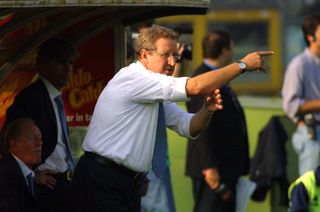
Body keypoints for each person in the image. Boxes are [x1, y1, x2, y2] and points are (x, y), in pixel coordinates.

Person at [71, 24, 272, 212]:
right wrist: (243, 65)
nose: (172, 62)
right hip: (102, 178)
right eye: (165, 55)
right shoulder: (135, 78)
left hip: (125, 182)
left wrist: (207, 110)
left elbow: (189, 127)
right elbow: (195, 87)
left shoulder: (153, 86)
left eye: (175, 55)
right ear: (144, 55)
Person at [2, 38, 78, 212]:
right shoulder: (31, 97)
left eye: (70, 62)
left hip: (64, 183)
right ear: (43, 66)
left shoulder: (55, 97)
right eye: (61, 62)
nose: (68, 68)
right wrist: (33, 175)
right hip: (46, 186)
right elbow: (8, 140)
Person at [185, 30, 250, 212]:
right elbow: (201, 126)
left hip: (225, 168)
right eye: (231, 47)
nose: (232, 51)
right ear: (224, 50)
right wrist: (209, 166)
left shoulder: (217, 76)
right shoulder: (204, 78)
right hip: (213, 171)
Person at [282, 14, 320, 176]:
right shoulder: (299, 64)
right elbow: (290, 106)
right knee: (311, 192)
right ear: (311, 37)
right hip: (313, 136)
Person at [0, 117, 42, 212]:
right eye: (33, 138)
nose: (39, 143)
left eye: (40, 138)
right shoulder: (5, 175)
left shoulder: (28, 175)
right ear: (14, 144)